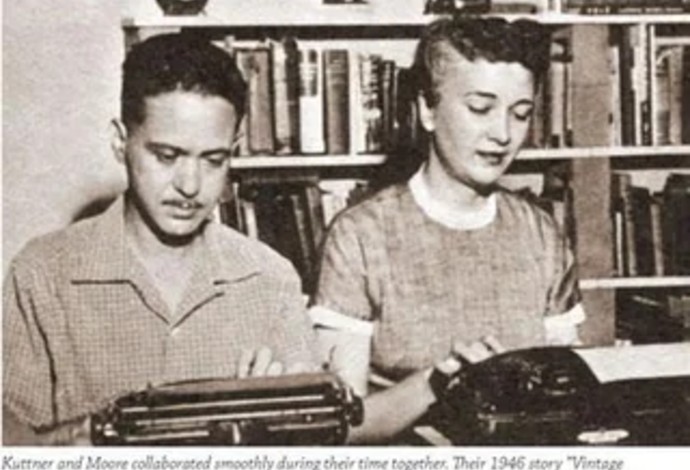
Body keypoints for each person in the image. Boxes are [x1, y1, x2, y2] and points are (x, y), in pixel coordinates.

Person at [3, 33, 317, 445]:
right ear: (120, 141)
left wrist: (276, 426)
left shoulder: (272, 279)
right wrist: (90, 435)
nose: (190, 185)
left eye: (213, 160)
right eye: (167, 156)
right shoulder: (42, 275)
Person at [310, 16, 585, 443]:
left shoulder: (542, 234)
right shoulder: (359, 236)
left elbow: (572, 396)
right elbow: (341, 426)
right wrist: (438, 382)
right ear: (427, 109)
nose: (502, 134)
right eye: (480, 108)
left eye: (521, 114)